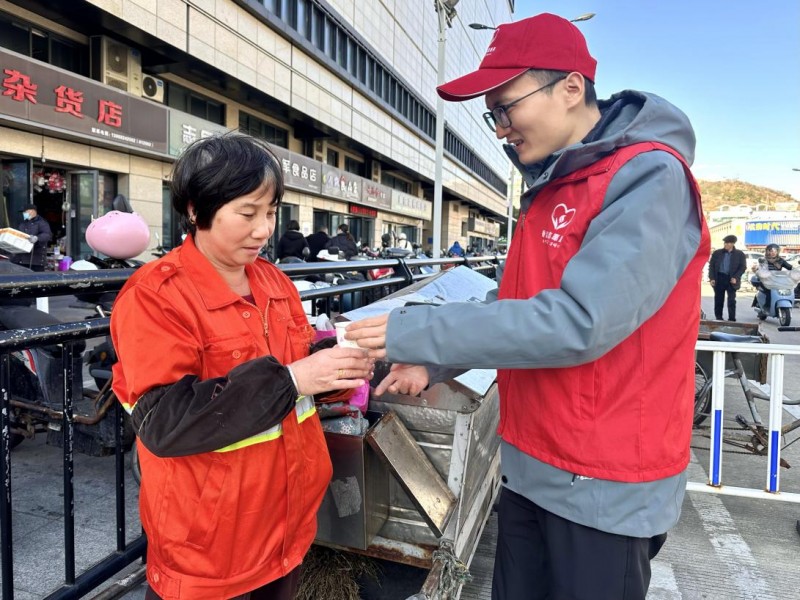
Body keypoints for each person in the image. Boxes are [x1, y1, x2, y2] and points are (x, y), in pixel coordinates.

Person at [345, 13, 709, 600]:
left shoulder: (646, 177)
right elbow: (515, 304)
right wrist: (431, 364)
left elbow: (577, 321)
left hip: (601, 478)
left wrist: (413, 331)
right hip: (534, 463)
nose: (501, 128)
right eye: (493, 113)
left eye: (507, 106)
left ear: (570, 87)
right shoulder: (554, 182)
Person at [110, 133, 373, 600]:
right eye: (247, 213)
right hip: (208, 544)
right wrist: (295, 378)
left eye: (270, 213)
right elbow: (165, 423)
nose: (263, 230)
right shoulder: (157, 295)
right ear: (195, 209)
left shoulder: (272, 281)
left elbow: (298, 379)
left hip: (285, 524)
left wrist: (337, 370)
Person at [708, 234, 747, 321]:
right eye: (725, 243)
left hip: (731, 279)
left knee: (731, 300)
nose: (725, 245)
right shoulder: (717, 253)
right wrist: (712, 278)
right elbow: (711, 266)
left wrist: (736, 277)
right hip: (720, 278)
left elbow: (742, 267)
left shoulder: (739, 254)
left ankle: (732, 319)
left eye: (727, 243)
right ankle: (718, 318)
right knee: (718, 299)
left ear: (732, 244)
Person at [751, 242, 793, 311]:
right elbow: (759, 268)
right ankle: (767, 306)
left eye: (775, 251)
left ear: (778, 252)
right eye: (770, 251)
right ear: (767, 252)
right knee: (769, 291)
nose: (773, 252)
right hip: (766, 281)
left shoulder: (781, 261)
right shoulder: (763, 260)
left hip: (777, 281)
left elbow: (790, 267)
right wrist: (756, 268)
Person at [10, 203, 52, 271]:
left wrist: (37, 238)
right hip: (20, 259)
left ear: (32, 211)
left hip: (35, 261)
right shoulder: (22, 224)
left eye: (25, 212)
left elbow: (47, 235)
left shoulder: (42, 222)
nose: (23, 214)